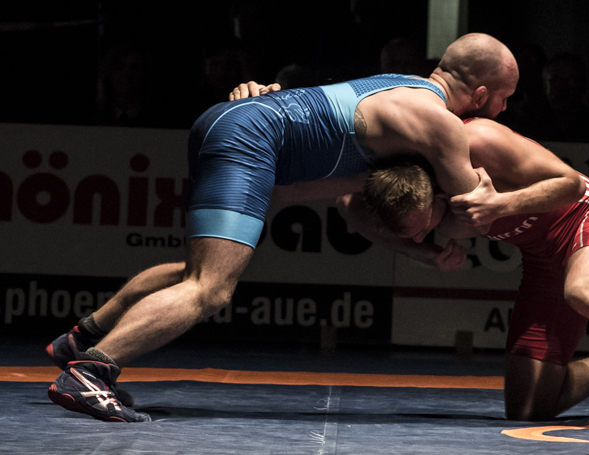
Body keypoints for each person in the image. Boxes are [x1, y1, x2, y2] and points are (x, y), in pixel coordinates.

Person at [46, 32, 519, 423]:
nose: (502, 111)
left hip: (228, 122)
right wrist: (506, 194)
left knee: (195, 271)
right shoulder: (442, 125)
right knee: (210, 289)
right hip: (252, 140)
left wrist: (420, 252)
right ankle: (90, 372)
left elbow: (350, 207)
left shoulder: (399, 86)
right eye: (504, 99)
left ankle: (81, 339)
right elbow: (472, 217)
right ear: (480, 95)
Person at [336, 117, 589, 438]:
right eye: (413, 235)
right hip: (542, 258)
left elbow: (570, 185)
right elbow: (346, 203)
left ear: (441, 192)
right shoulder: (386, 181)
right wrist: (422, 253)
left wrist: (500, 205)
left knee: (584, 289)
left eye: (426, 227)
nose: (425, 236)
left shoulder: (477, 142)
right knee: (528, 408)